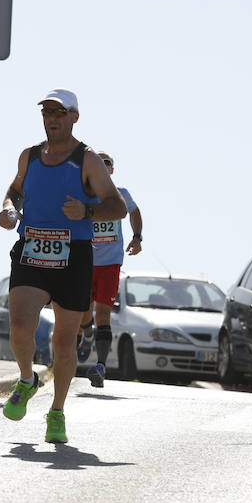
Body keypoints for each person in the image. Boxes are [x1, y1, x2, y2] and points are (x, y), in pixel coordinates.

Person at [0, 88, 127, 444]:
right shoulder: (30, 156)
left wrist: (86, 211)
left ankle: (56, 411)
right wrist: (10, 208)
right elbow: (15, 189)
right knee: (21, 324)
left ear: (74, 117)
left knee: (64, 341)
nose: (52, 119)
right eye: (47, 113)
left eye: (59, 112)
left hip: (74, 256)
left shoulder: (87, 160)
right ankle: (27, 380)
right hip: (32, 249)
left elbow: (117, 207)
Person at [77, 152, 142, 387]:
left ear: (112, 170)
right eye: (99, 164)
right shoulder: (82, 194)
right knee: (84, 312)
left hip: (111, 264)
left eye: (107, 164)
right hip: (85, 261)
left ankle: (100, 366)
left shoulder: (120, 194)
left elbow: (134, 211)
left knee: (103, 314)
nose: (103, 168)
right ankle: (86, 334)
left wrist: (137, 237)